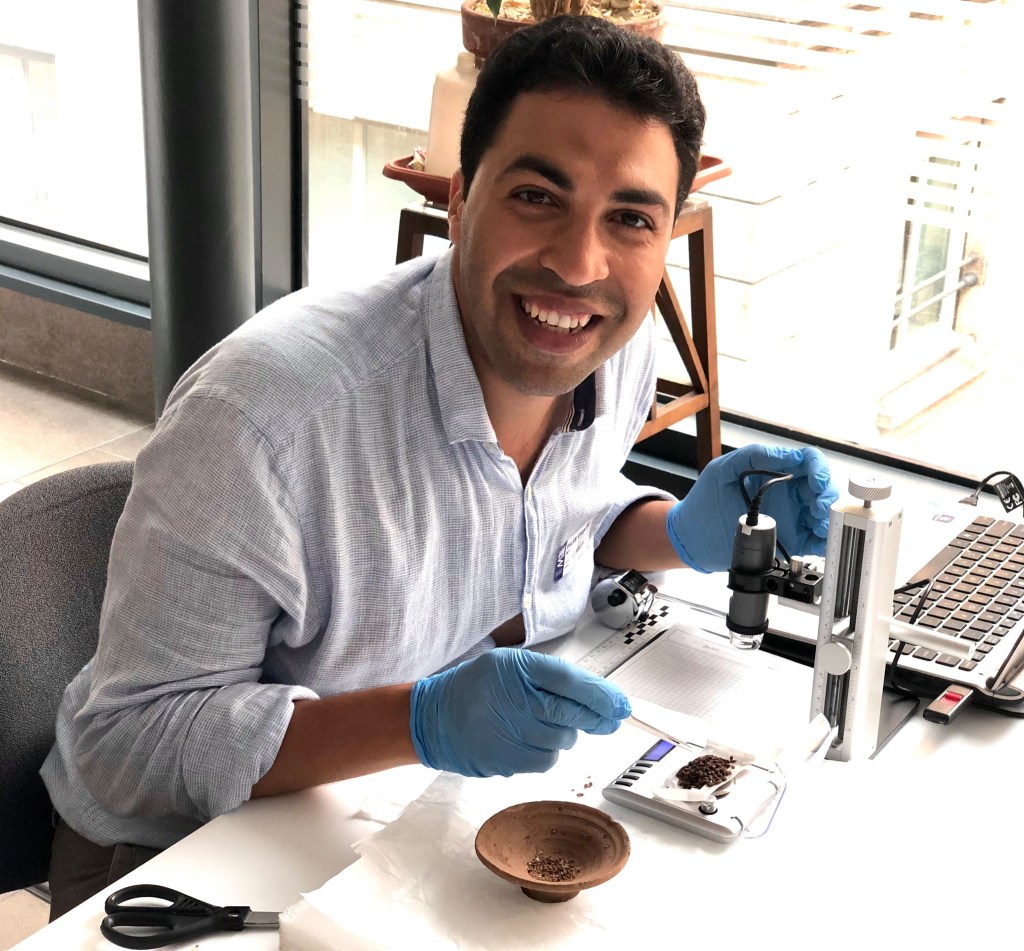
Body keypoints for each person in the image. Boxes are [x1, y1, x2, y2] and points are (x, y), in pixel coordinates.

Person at [41, 14, 838, 917]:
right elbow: (127, 742)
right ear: (461, 201)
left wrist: (680, 529)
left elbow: (556, 515)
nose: (580, 264)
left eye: (629, 218)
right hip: (173, 870)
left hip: (403, 813)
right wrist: (417, 720)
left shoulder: (610, 343)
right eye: (538, 196)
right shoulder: (263, 419)